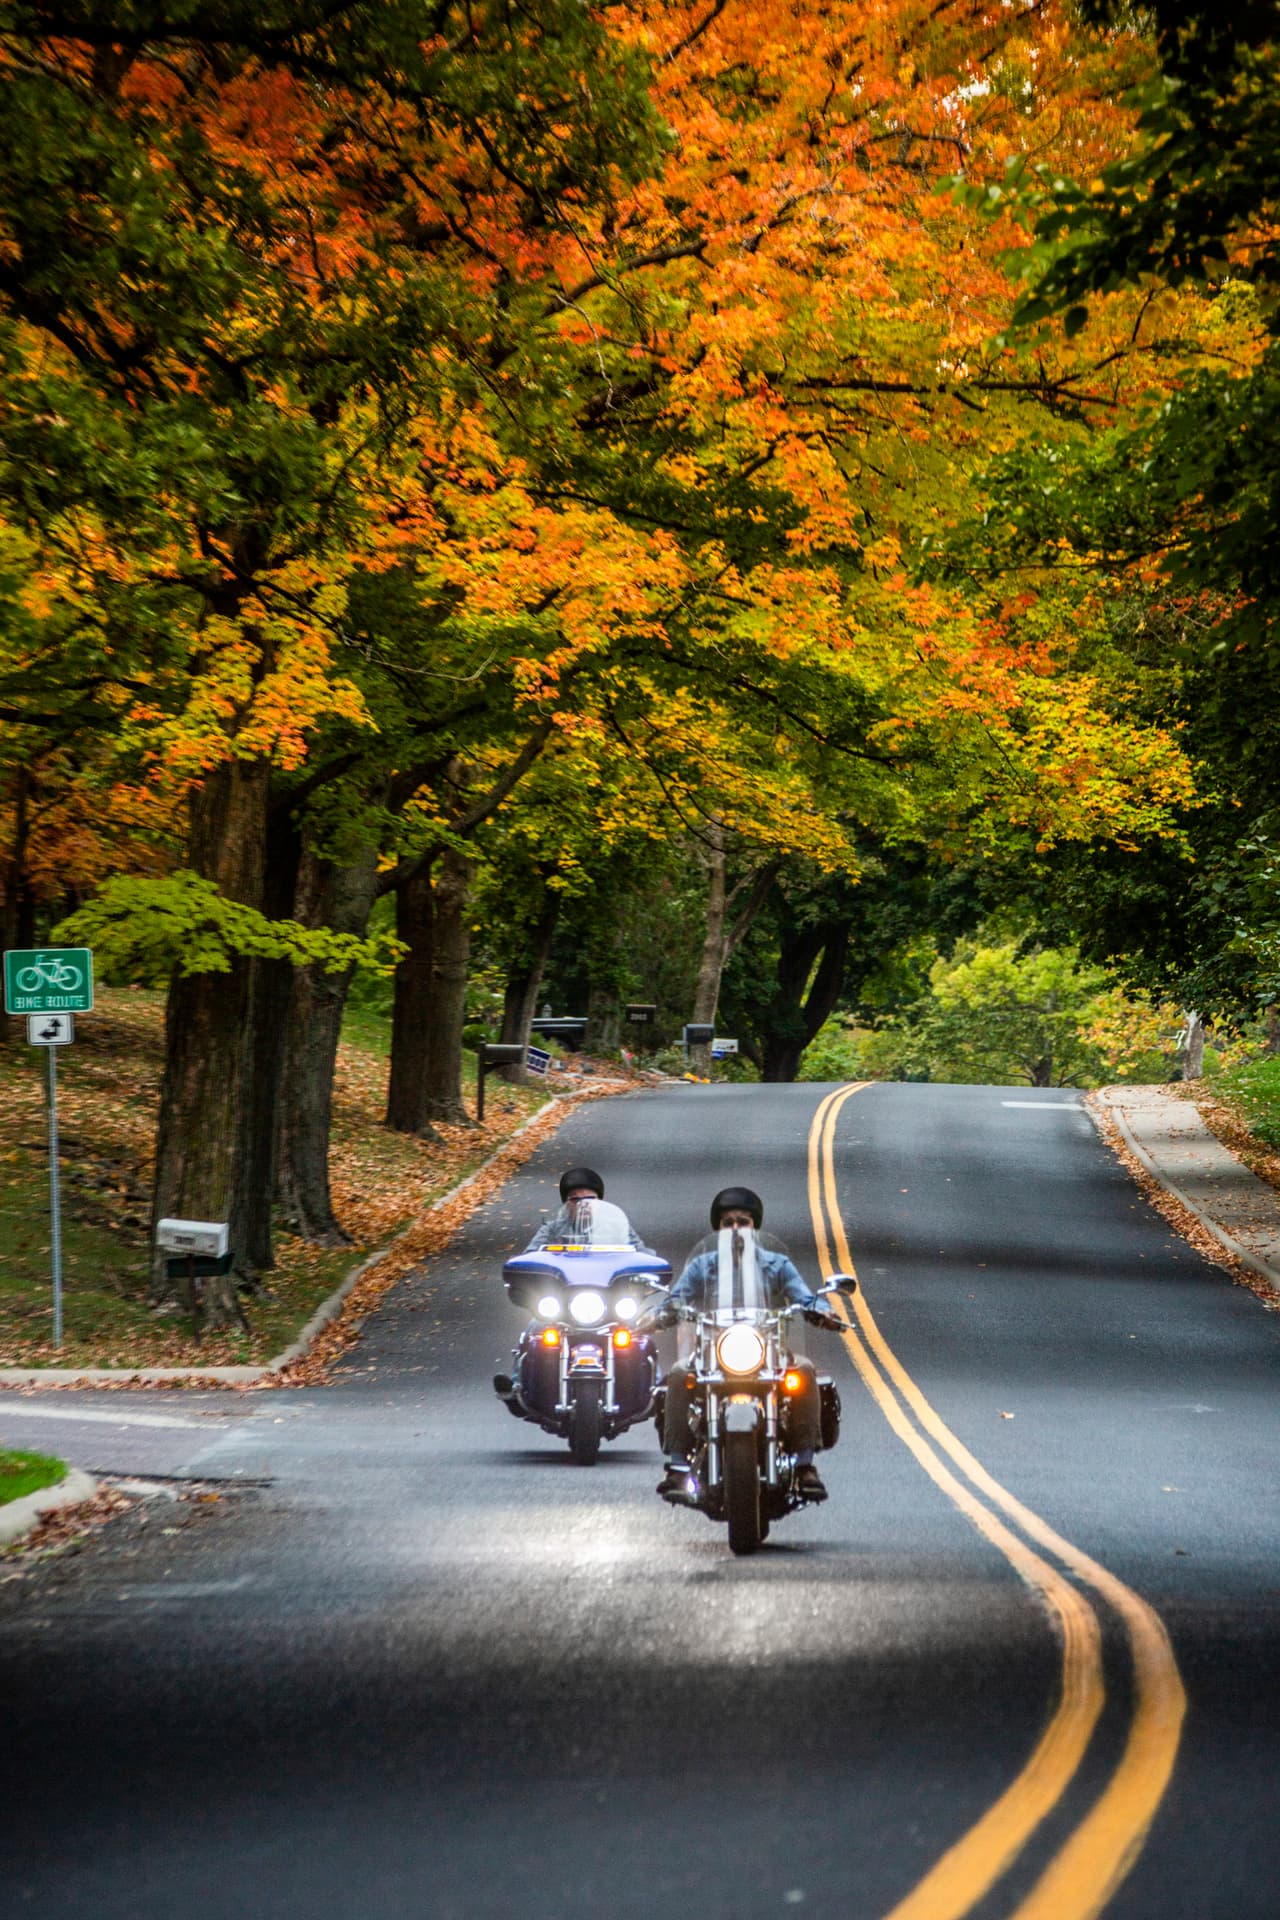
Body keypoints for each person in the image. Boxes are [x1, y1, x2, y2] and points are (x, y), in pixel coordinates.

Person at [641, 1186, 844, 1503]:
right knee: (680, 1374)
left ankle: (805, 1465)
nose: (735, 1229)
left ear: (755, 1227)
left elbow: (802, 1297)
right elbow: (677, 1299)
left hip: (767, 1350)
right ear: (718, 1229)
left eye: (743, 1222)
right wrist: (655, 1317)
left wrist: (822, 1312)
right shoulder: (702, 1267)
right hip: (712, 1351)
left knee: (803, 1371)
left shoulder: (777, 1265)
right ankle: (678, 1467)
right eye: (728, 1222)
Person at [524, 1166, 647, 1251]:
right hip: (562, 1286)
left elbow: (644, 1255)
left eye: (590, 1199)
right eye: (575, 1200)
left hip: (610, 1285)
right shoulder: (551, 1230)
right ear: (566, 1203)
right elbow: (529, 1257)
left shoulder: (618, 1227)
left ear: (600, 1201)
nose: (584, 1204)